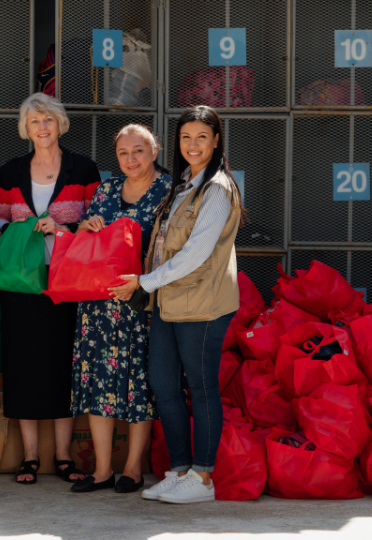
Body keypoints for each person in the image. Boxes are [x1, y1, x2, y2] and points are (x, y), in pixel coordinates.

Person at [111, 106, 244, 504]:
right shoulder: (183, 183)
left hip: (202, 304)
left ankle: (203, 478)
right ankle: (181, 470)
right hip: (168, 301)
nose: (193, 145)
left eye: (202, 137)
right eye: (186, 137)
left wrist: (144, 283)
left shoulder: (217, 188)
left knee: (200, 388)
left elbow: (196, 253)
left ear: (216, 140)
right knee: (164, 385)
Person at [0, 92, 101, 485]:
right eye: (35, 121)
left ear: (60, 124)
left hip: (67, 280)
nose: (42, 127)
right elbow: (1, 225)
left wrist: (62, 229)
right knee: (23, 366)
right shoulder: (11, 171)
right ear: (25, 128)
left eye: (48, 119)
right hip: (21, 282)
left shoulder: (83, 168)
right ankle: (29, 457)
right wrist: (24, 229)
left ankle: (63, 456)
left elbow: (97, 224)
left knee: (62, 366)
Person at [69, 124, 172, 494]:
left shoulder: (169, 190)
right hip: (98, 304)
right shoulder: (107, 189)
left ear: (154, 151)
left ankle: (132, 469)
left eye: (138, 150)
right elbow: (86, 242)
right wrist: (86, 227)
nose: (131, 159)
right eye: (123, 153)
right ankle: (101, 471)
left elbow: (173, 248)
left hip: (141, 303)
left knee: (138, 385)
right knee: (99, 383)